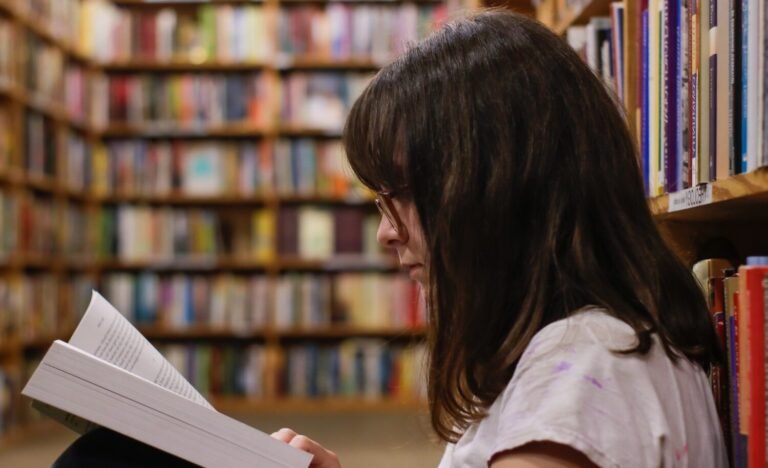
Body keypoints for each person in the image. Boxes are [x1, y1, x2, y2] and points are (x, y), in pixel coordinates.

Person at [270, 10, 728, 468]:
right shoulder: (598, 347)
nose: (385, 232)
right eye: (381, 201)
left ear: (497, 187)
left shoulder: (583, 370)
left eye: (404, 193)